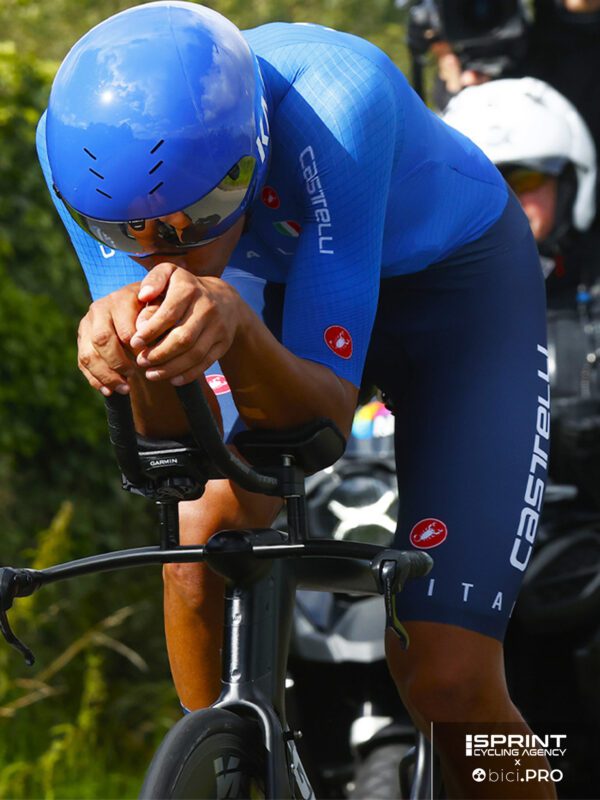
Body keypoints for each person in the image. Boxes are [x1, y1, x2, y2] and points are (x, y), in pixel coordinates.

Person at [38, 2, 555, 797]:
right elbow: (173, 454)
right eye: (124, 233)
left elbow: (315, 430)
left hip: (456, 299)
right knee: (202, 530)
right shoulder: (73, 152)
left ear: (253, 156)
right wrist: (132, 366)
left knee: (448, 676)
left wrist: (236, 326)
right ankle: (225, 764)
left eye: (197, 217)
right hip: (275, 280)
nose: (164, 255)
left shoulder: (339, 99)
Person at [441, 77, 597, 292]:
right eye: (481, 189)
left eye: (525, 180)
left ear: (566, 185)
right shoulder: (421, 298)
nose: (507, 204)